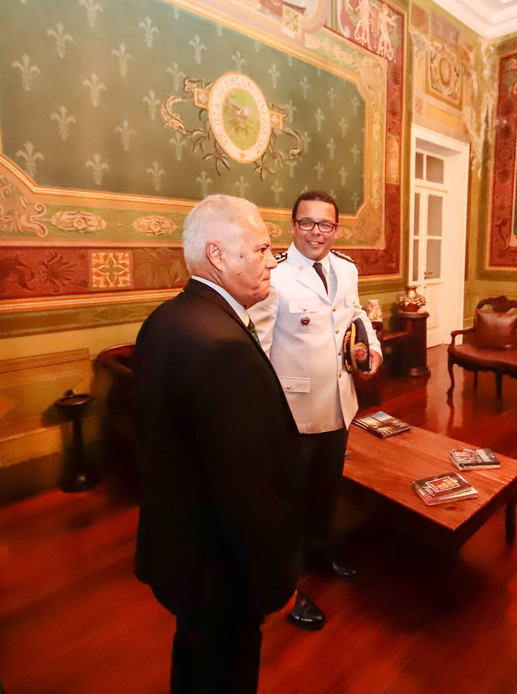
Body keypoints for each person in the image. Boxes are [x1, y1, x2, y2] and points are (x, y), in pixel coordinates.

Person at [131, 194, 301, 694]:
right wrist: (275, 583)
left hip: (179, 548)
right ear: (218, 255)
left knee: (194, 662)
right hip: (219, 573)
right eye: (262, 249)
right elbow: (245, 492)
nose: (273, 261)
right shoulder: (223, 347)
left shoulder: (165, 319)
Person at [249, 190, 381, 631]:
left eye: (325, 224)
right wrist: (262, 411)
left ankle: (323, 554)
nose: (316, 232)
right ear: (292, 227)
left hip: (339, 404)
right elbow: (261, 346)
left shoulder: (346, 269)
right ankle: (288, 583)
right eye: (306, 223)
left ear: (337, 230)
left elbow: (356, 315)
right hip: (292, 410)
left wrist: (373, 351)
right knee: (287, 501)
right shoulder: (278, 276)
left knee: (326, 490)